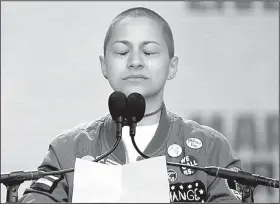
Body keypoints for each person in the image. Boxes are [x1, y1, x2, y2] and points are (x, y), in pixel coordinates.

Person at [19, 7, 245, 203]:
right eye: (122, 52)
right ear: (104, 65)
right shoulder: (68, 149)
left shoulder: (210, 148)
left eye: (149, 52)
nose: (135, 62)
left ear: (172, 66)